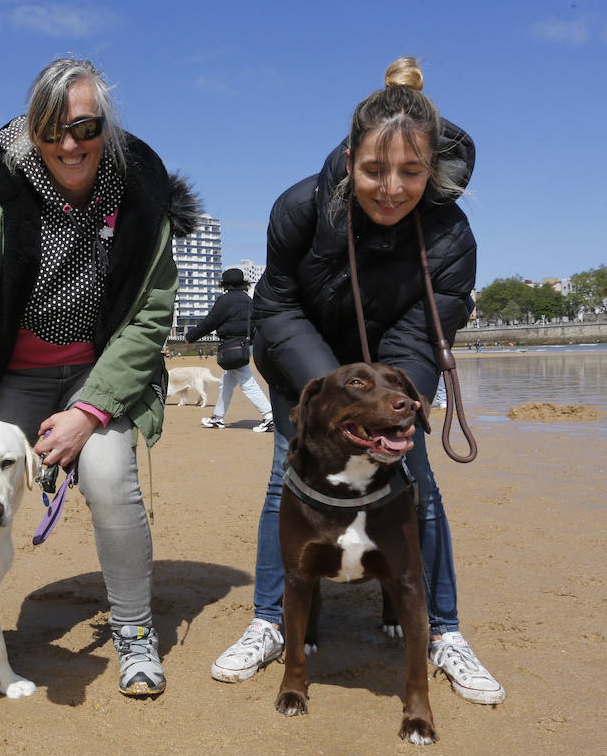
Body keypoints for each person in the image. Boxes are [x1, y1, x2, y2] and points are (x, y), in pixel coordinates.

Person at [211, 57, 504, 705]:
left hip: (393, 365)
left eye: (410, 172)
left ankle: (444, 631)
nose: (392, 188)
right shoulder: (299, 207)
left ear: (431, 169)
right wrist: (332, 401)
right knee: (287, 473)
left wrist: (389, 403)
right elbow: (277, 305)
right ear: (350, 158)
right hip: (304, 363)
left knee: (417, 478)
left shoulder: (451, 236)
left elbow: (426, 332)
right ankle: (269, 621)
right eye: (375, 170)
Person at [0, 57, 198, 698]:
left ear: (105, 127)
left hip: (100, 375)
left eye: (86, 128)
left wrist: (90, 413)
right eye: (52, 128)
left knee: (110, 480)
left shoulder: (142, 198)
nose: (70, 144)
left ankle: (135, 629)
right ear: (32, 129)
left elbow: (150, 317)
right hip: (15, 375)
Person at [183, 267, 274, 432]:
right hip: (244, 346)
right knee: (226, 382)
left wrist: (190, 337)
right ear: (242, 283)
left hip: (231, 346)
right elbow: (256, 324)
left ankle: (269, 415)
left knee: (247, 382)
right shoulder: (248, 300)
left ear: (225, 284)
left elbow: (210, 322)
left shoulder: (225, 300)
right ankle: (218, 417)